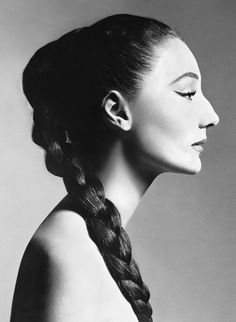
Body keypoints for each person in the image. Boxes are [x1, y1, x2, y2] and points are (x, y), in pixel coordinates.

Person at [10, 13, 219, 322]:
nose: (212, 116)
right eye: (187, 93)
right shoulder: (68, 254)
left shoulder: (86, 243)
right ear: (118, 111)